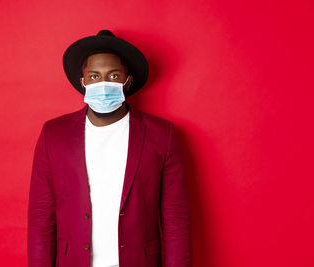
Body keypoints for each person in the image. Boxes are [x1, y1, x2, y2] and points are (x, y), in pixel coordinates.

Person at [27, 29, 191, 267]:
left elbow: (176, 220)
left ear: (127, 81)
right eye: (94, 76)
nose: (103, 83)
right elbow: (41, 219)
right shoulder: (53, 135)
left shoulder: (161, 135)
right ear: (82, 82)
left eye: (113, 76)